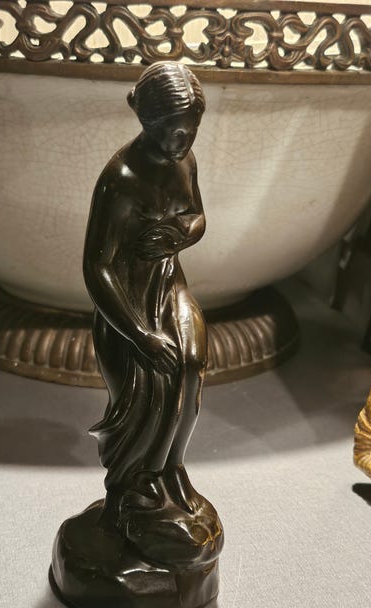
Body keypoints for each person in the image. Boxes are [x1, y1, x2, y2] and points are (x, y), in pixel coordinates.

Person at [83, 61, 208, 532]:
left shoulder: (185, 161)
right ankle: (134, 487)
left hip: (169, 282)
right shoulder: (121, 178)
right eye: (175, 131)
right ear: (149, 121)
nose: (184, 141)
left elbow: (196, 215)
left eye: (192, 130)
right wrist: (140, 335)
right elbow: (96, 266)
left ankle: (172, 469)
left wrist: (183, 233)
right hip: (127, 302)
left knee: (192, 365)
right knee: (152, 387)